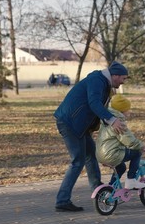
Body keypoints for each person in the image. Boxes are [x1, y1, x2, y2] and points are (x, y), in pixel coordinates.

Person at [53, 61, 129, 212]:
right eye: (123, 78)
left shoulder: (104, 83)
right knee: (78, 160)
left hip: (79, 125)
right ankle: (62, 200)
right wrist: (112, 120)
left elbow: (98, 108)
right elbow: (94, 103)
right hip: (69, 123)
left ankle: (98, 189)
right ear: (115, 76)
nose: (123, 82)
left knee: (91, 155)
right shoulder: (97, 80)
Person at [95, 94, 145, 189]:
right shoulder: (118, 122)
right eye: (128, 109)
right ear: (122, 110)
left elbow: (116, 140)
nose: (129, 111)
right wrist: (142, 146)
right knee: (137, 153)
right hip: (112, 154)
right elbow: (129, 141)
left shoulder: (107, 119)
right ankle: (131, 180)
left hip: (101, 154)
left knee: (121, 168)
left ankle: (110, 188)